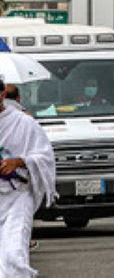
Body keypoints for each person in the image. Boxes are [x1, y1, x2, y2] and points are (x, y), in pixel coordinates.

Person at [0, 79, 54, 277]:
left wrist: (20, 161)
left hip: (17, 197)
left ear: (3, 96)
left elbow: (45, 157)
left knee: (14, 254)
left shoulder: (24, 122)